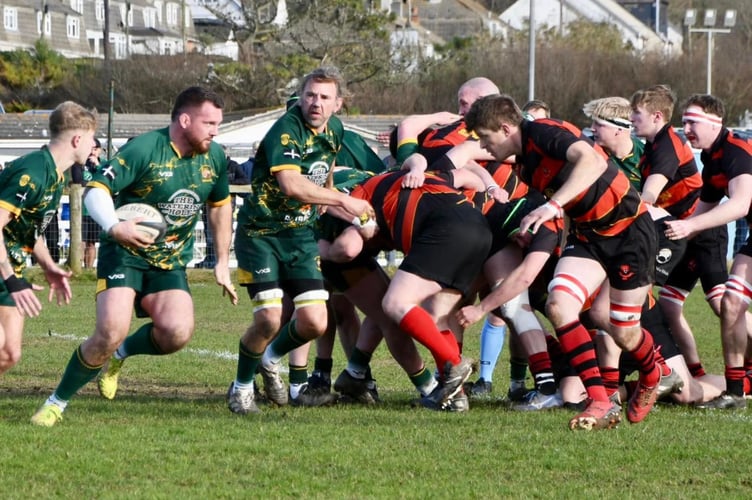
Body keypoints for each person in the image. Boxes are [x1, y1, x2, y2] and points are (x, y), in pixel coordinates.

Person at [31, 87, 237, 427]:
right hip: (124, 255)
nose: (216, 130)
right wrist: (115, 227)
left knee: (177, 332)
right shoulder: (144, 149)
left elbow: (220, 207)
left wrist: (221, 261)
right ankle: (56, 403)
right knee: (108, 332)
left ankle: (120, 357)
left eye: (218, 123)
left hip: (168, 261)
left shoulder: (213, 157)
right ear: (185, 120)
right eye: (209, 122)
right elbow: (96, 189)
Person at [465, 94, 661, 430]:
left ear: (506, 127)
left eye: (486, 137)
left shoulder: (544, 132)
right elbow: (573, 198)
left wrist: (551, 206)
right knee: (558, 305)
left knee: (624, 331)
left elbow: (593, 162)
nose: (484, 146)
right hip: (589, 236)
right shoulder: (524, 163)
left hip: (629, 231)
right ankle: (600, 400)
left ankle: (653, 371)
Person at [226, 66, 375, 415]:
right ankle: (241, 388)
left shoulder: (335, 130)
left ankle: (270, 357)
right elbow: (291, 185)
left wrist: (357, 216)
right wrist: (346, 201)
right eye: (310, 95)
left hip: (301, 237)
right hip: (261, 234)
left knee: (315, 322)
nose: (315, 103)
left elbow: (323, 187)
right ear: (301, 97)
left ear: (338, 104)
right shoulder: (287, 130)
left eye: (324, 97)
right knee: (269, 320)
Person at [665, 94, 752, 409]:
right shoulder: (713, 160)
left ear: (716, 122)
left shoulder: (736, 152)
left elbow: (741, 204)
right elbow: (702, 211)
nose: (686, 128)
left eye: (692, 122)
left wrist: (690, 227)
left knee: (726, 302)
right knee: (730, 305)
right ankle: (735, 391)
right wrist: (674, 234)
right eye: (684, 121)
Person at [0, 101, 96, 378]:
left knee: (9, 353)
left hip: (8, 270)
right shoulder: (33, 172)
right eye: (91, 139)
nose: (93, 146)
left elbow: (30, 230)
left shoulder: (55, 175)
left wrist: (48, 266)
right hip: (7, 274)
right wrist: (12, 280)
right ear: (77, 139)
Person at [70, 137, 104, 268]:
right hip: (81, 209)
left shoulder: (104, 164)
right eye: (90, 149)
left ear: (99, 150)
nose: (92, 152)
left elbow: (105, 181)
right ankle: (77, 268)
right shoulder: (78, 163)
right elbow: (78, 180)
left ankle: (88, 269)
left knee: (92, 242)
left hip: (96, 209)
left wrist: (98, 166)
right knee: (80, 241)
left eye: (95, 149)